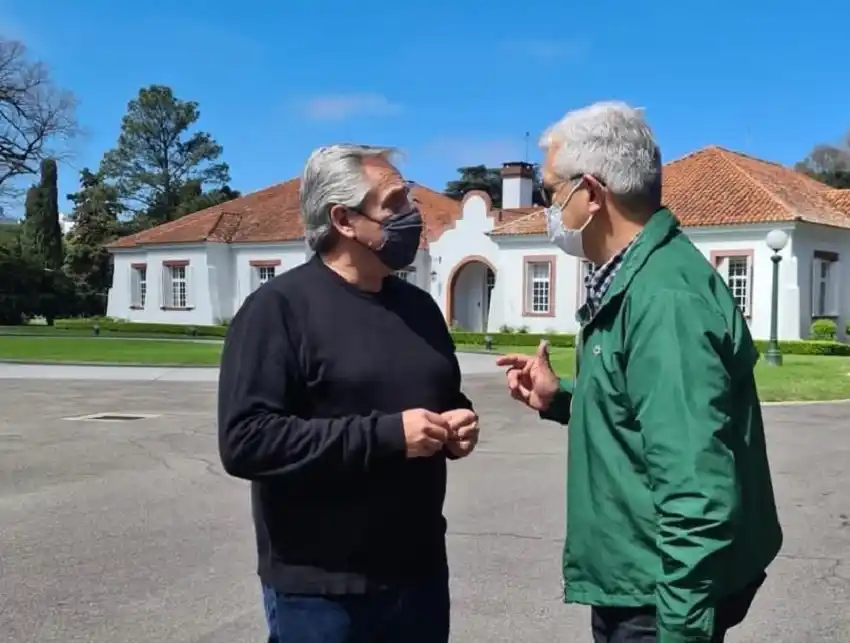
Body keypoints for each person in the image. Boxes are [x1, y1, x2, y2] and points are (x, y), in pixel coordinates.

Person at [497, 102, 782, 643]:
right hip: (637, 582)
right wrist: (562, 398)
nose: (549, 208)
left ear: (592, 193)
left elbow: (696, 491)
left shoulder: (663, 299)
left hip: (655, 601)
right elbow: (647, 412)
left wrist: (680, 627)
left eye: (551, 192)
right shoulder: (632, 281)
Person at [218, 144, 479, 643]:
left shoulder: (420, 309)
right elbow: (245, 440)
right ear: (343, 219)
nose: (413, 217)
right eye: (396, 204)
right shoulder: (277, 310)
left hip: (419, 576)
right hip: (320, 590)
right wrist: (386, 436)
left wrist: (457, 423)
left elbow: (443, 394)